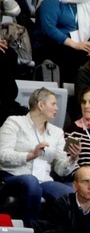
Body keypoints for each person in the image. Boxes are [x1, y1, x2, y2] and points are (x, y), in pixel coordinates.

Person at [0, 87, 77, 224]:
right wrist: (30, 155)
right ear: (41, 105)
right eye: (53, 104)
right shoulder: (14, 122)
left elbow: (60, 168)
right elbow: (2, 155)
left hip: (43, 180)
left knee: (69, 193)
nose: (57, 109)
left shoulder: (57, 132)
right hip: (12, 177)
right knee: (31, 181)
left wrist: (72, 158)